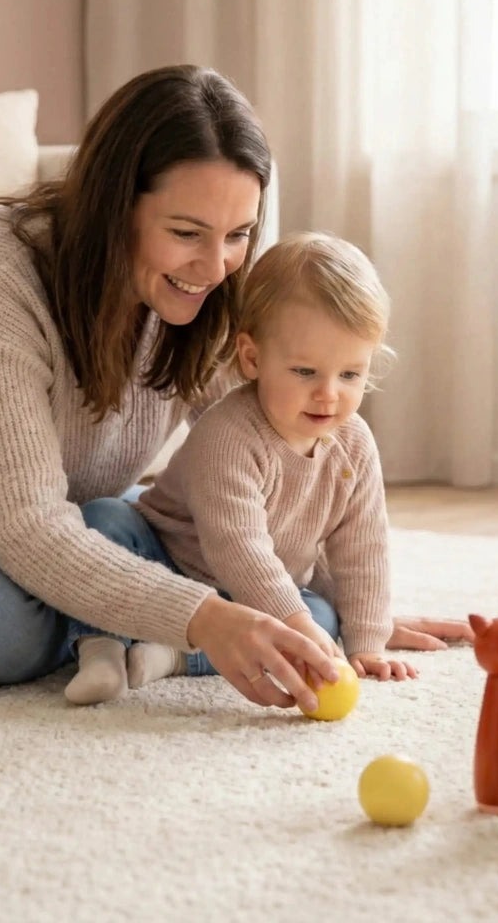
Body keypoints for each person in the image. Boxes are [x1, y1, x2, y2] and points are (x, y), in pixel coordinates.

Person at [0, 64, 470, 714]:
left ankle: (106, 626)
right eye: (187, 233)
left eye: (239, 235)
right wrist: (206, 620)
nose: (215, 267)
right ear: (114, 208)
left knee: (241, 571)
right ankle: (107, 622)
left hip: (58, 513)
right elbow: (27, 528)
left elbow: (276, 440)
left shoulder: (204, 292)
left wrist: (360, 617)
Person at [65, 230, 417, 705]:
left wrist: (368, 641)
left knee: (325, 619)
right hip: (168, 562)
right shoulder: (229, 433)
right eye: (305, 372)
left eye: (350, 374)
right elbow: (239, 547)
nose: (329, 394)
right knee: (104, 520)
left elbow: (363, 547)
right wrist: (292, 623)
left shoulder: (354, 445)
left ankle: (170, 657)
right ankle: (100, 648)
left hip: (251, 594)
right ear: (253, 358)